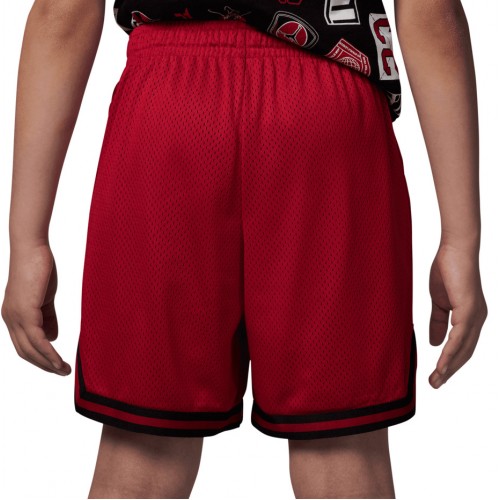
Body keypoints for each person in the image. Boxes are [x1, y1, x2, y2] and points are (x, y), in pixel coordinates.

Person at [1, 0, 488, 498]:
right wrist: (460, 238)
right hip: (324, 116)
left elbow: (62, 13)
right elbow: (431, 13)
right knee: (342, 451)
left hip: (169, 111)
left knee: (143, 452)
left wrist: (27, 239)